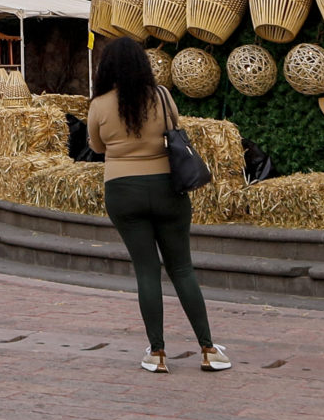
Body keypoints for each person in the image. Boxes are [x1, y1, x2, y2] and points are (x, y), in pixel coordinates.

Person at [88, 36, 228, 374]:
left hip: (122, 191)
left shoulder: (100, 104)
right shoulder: (162, 97)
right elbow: (175, 129)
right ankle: (208, 348)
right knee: (181, 268)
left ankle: (158, 352)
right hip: (167, 188)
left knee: (147, 271)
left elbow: (96, 147)